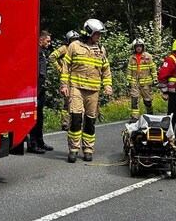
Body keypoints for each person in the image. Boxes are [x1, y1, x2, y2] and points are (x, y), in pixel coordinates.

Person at [60, 19, 113, 163]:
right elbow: (66, 67)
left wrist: (107, 85)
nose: (99, 37)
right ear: (89, 32)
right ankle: (73, 149)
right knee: (76, 119)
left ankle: (88, 150)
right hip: (76, 87)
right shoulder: (74, 46)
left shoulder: (101, 49)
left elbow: (106, 70)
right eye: (97, 34)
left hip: (93, 90)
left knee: (90, 121)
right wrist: (64, 85)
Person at [28, 31, 54, 154]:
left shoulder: (41, 51)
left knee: (40, 116)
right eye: (47, 41)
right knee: (35, 115)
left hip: (41, 86)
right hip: (37, 86)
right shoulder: (36, 51)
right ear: (41, 40)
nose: (49, 43)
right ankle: (32, 143)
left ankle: (40, 141)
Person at [158, 38, 176, 145]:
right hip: (173, 93)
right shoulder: (170, 59)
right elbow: (162, 76)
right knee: (172, 117)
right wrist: (165, 92)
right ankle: (168, 139)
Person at [49, 30, 80, 131]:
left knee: (76, 101)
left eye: (76, 39)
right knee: (66, 102)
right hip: (66, 79)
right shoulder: (64, 48)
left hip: (76, 78)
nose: (74, 41)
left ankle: (75, 121)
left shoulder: (78, 49)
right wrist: (60, 69)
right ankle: (65, 123)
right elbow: (52, 57)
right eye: (72, 39)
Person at [126, 38, 157, 121]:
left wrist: (155, 78)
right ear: (134, 47)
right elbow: (129, 69)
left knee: (148, 101)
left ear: (143, 47)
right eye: (137, 46)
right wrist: (128, 80)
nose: (138, 48)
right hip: (135, 83)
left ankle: (150, 115)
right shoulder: (131, 58)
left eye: (140, 46)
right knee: (134, 100)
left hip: (146, 83)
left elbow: (152, 68)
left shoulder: (148, 56)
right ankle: (135, 117)